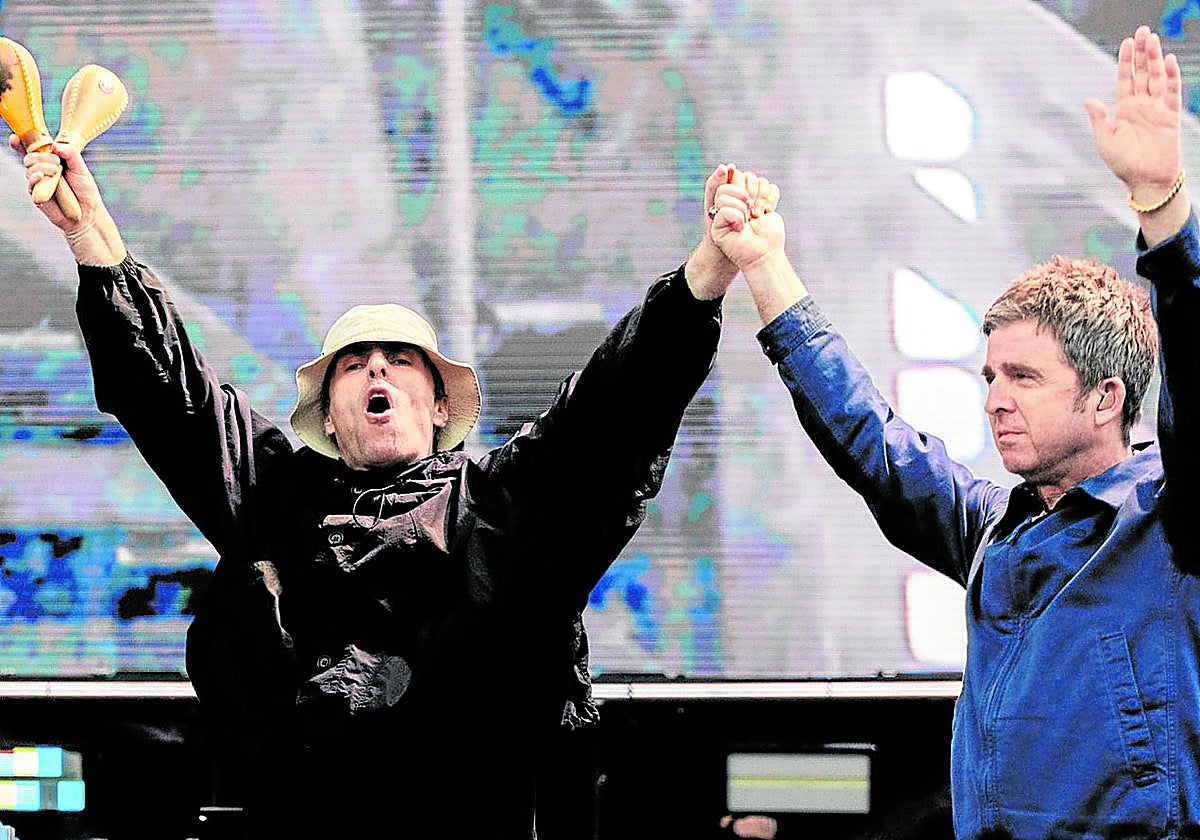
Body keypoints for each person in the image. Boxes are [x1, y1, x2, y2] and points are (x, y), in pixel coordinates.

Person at [10, 118, 776, 835]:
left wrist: (708, 269)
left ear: (440, 404)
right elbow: (173, 398)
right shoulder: (279, 496)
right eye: (353, 361)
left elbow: (617, 410)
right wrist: (90, 234)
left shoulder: (501, 511)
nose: (376, 364)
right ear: (330, 417)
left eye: (400, 357)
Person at [704, 24, 1200, 840]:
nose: (996, 400)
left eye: (1025, 378)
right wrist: (764, 264)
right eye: (990, 378)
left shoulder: (1170, 522)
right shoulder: (993, 530)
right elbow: (870, 439)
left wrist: (1162, 209)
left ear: (1107, 396)